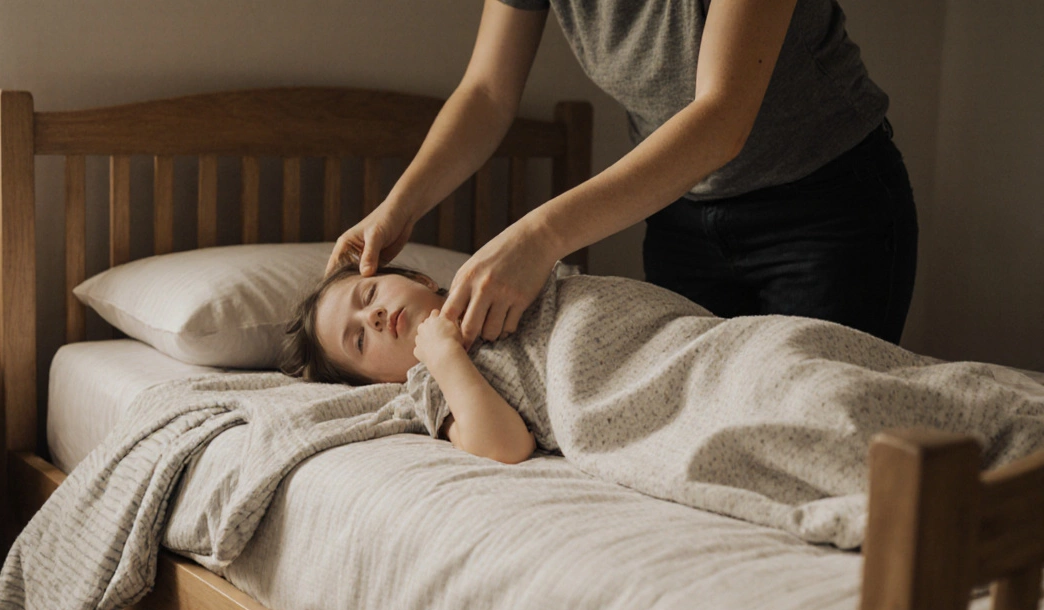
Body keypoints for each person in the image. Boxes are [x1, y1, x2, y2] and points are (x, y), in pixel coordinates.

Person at [280, 262, 1044, 548]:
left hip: (711, 347)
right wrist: (444, 357)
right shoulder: (433, 382)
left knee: (825, 366)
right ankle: (987, 492)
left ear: (417, 278)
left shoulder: (505, 272)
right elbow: (500, 444)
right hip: (664, 399)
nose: (374, 316)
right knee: (812, 409)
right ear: (375, 380)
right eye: (357, 337)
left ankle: (1010, 436)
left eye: (370, 294)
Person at [325, 0, 917, 349]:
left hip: (825, 208)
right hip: (679, 214)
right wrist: (397, 207)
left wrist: (539, 236)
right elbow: (486, 92)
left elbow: (721, 118)